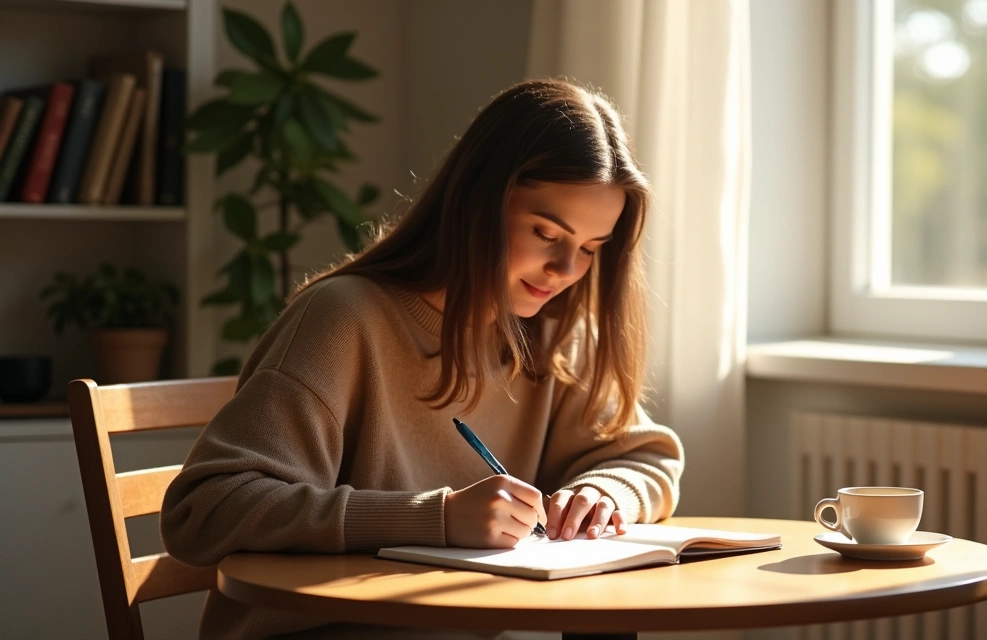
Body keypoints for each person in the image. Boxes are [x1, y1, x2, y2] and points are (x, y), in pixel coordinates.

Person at [160, 78, 684, 640]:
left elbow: (645, 456)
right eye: (545, 233)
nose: (565, 270)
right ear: (476, 202)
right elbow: (205, 509)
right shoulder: (342, 320)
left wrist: (603, 495)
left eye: (589, 250)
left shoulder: (551, 332)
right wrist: (434, 518)